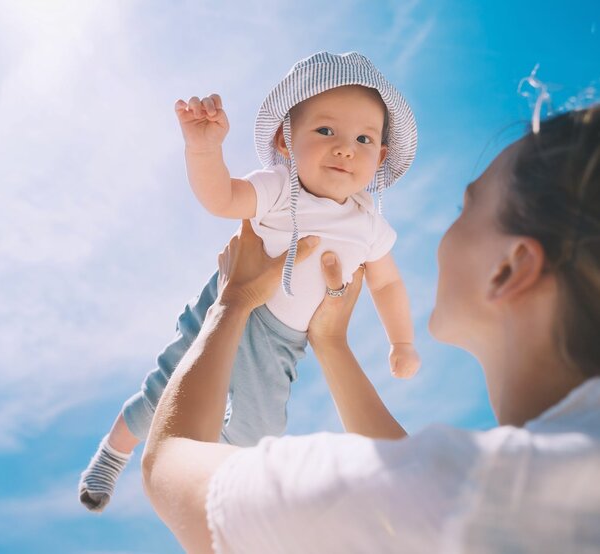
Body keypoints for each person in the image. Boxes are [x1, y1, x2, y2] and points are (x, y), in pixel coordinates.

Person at [141, 105, 600, 553]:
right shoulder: (556, 479)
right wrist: (332, 343)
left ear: (508, 268)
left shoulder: (485, 490)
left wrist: (233, 301)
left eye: (467, 207)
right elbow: (411, 483)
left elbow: (169, 464)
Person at [79, 51, 422, 511]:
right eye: (326, 131)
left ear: (380, 157)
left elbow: (386, 285)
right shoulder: (281, 187)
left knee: (259, 429)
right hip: (224, 302)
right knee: (164, 393)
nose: (345, 148)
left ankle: (216, 492)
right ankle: (113, 453)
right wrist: (204, 151)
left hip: (281, 339)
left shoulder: (369, 225)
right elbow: (223, 198)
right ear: (286, 140)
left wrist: (402, 341)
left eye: (363, 138)